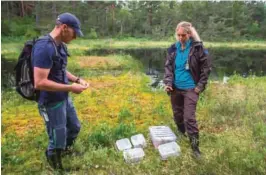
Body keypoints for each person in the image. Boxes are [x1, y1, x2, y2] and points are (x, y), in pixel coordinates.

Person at [32, 12, 89, 170]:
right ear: (64, 28)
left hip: (63, 97)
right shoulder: (44, 47)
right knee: (57, 137)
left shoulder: (60, 45)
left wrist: (77, 80)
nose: (75, 37)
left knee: (74, 127)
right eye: (74, 33)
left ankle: (65, 151)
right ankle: (56, 167)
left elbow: (60, 70)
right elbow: (40, 82)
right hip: (50, 102)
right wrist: (71, 88)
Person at [163, 21, 211, 158]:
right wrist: (168, 82)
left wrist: (199, 87)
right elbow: (168, 68)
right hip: (175, 89)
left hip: (191, 89)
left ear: (189, 34)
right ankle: (181, 133)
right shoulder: (173, 49)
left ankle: (195, 149)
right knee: (178, 115)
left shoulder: (197, 48)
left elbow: (206, 68)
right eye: (178, 35)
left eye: (183, 35)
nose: (180, 38)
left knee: (189, 118)